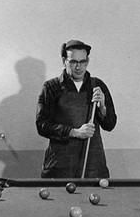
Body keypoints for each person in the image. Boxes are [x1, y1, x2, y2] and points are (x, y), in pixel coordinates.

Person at [36, 40, 117, 178]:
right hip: (60, 166)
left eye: (82, 61)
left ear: (87, 61)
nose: (78, 67)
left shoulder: (97, 85)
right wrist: (75, 132)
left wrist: (102, 107)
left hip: (93, 167)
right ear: (64, 61)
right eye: (73, 62)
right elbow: (42, 125)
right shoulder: (51, 87)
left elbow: (110, 125)